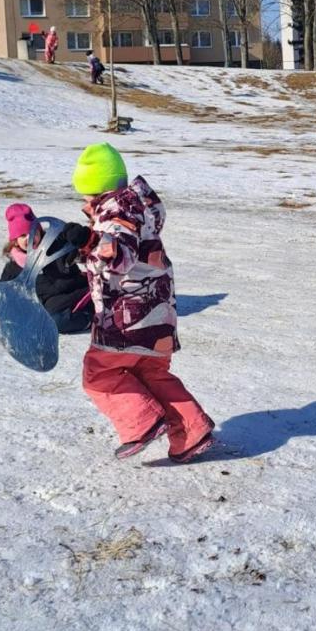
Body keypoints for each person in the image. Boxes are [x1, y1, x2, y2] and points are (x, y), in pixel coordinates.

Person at [71, 142, 214, 463]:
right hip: (156, 317)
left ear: (98, 190)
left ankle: (142, 422)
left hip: (126, 318)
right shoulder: (138, 206)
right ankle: (191, 431)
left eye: (86, 194)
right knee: (152, 374)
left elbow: (119, 251)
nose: (84, 201)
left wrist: (89, 241)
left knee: (99, 374)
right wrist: (86, 250)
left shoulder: (116, 210)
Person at [0, 202, 93, 334]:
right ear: (15, 240)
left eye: (33, 232)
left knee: (54, 321)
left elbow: (69, 238)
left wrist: (73, 232)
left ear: (40, 232)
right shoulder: (15, 266)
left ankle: (94, 319)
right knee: (44, 319)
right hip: (50, 304)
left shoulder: (54, 247)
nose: (29, 238)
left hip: (77, 293)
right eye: (23, 235)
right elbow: (1, 293)